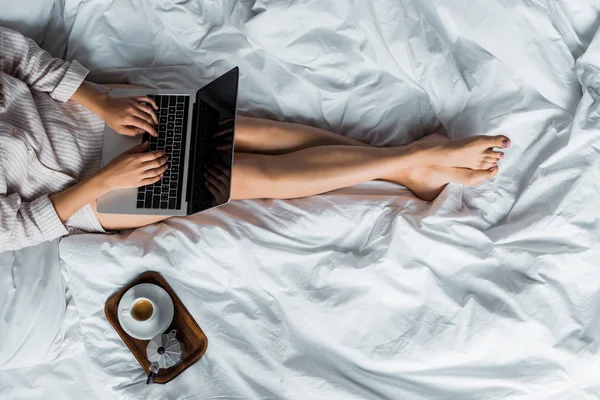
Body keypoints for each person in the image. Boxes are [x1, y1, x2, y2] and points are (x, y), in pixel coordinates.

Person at [0, 27, 510, 252]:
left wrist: (101, 101)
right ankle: (413, 157)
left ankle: (400, 168)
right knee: (243, 174)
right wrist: (107, 179)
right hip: (88, 195)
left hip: (96, 118)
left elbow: (21, 58)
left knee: (256, 132)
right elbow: (20, 228)